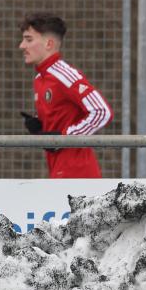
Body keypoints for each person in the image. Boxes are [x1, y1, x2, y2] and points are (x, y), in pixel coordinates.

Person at [18, 13, 113, 178]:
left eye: (29, 39)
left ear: (49, 43)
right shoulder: (40, 79)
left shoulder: (64, 75)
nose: (22, 45)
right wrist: (41, 128)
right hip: (58, 170)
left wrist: (64, 138)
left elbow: (102, 112)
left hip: (78, 173)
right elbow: (62, 121)